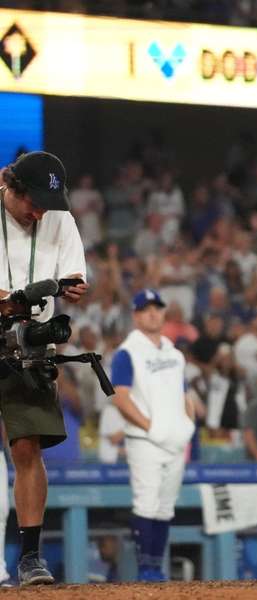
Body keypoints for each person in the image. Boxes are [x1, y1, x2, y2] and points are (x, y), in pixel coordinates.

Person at [0, 151, 89, 586]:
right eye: (31, 202)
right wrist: (14, 298)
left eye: (46, 204)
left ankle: (30, 559)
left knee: (27, 448)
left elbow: (73, 276)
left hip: (30, 345)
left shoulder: (58, 217)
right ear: (10, 188)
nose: (39, 212)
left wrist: (68, 288)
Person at [110, 289, 195, 582]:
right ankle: (146, 570)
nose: (152, 313)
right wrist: (151, 427)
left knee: (165, 506)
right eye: (145, 309)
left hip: (174, 441)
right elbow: (120, 398)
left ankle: (156, 567)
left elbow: (184, 393)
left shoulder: (173, 352)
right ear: (135, 315)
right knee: (146, 502)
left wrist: (188, 424)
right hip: (145, 441)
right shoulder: (127, 352)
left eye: (157, 308)